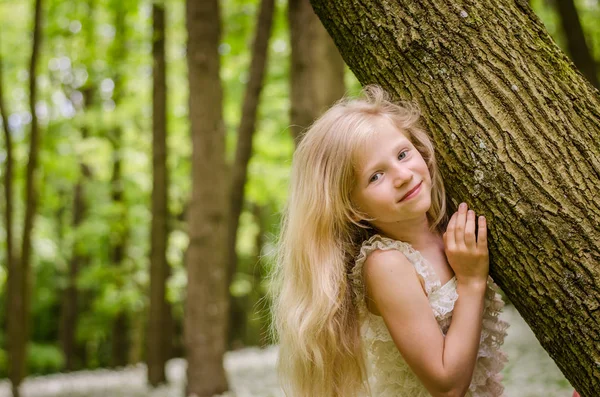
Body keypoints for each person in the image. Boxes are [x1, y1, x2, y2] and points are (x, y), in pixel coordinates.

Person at [270, 84, 509, 396]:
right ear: (352, 208)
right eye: (375, 176)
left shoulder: (444, 226)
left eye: (402, 154)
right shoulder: (388, 265)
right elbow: (447, 386)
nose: (403, 175)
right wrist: (471, 282)